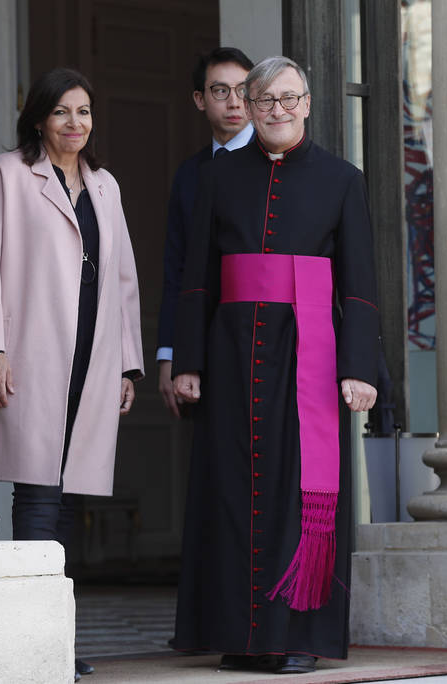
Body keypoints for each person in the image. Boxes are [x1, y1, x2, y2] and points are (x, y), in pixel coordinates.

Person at [169, 55, 380, 675]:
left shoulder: (343, 179)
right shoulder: (219, 176)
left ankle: (294, 638)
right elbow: (196, 277)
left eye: (289, 99)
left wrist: (359, 366)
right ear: (249, 109)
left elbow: (361, 284)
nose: (278, 111)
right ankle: (241, 635)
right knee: (232, 490)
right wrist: (188, 360)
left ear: (308, 104)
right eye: (265, 101)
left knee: (296, 490)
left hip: (307, 353)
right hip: (232, 354)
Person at [0, 67, 143, 680]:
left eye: (84, 111)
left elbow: (123, 283)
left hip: (91, 355)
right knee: (37, 492)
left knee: (66, 500)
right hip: (29, 353)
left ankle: (53, 638)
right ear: (39, 117)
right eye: (62, 111)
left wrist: (127, 363)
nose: (75, 123)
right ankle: (34, 641)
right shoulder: (9, 174)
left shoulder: (106, 187)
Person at [156, 47, 255, 417]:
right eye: (220, 91)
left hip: (258, 339)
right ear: (200, 99)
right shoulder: (189, 175)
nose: (234, 102)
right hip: (200, 347)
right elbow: (176, 268)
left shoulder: (274, 164)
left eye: (243, 90)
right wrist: (170, 353)